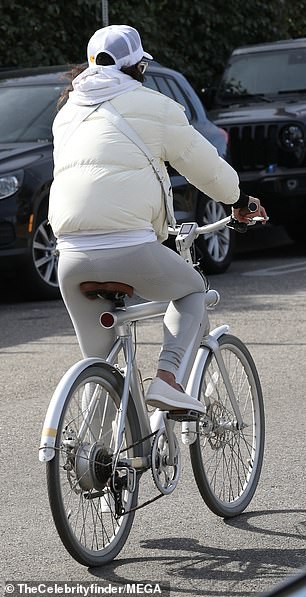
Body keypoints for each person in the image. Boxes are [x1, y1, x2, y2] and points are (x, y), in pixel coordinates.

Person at [49, 24, 267, 415]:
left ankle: (97, 460)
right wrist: (240, 200)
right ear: (139, 68)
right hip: (128, 246)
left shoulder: (66, 115)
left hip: (68, 256)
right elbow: (206, 169)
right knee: (191, 290)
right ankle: (168, 381)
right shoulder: (156, 107)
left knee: (100, 364)